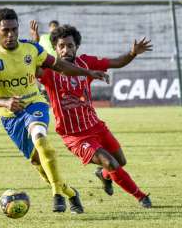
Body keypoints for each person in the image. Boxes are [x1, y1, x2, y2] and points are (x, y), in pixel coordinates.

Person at [0, 8, 107, 213]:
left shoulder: (32, 49)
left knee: (40, 137)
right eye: (5, 31)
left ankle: (56, 195)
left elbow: (60, 66)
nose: (10, 35)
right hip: (10, 116)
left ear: (18, 29)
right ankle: (70, 193)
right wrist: (5, 102)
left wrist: (88, 72)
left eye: (14, 30)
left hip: (35, 104)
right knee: (41, 165)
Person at [31, 23, 153, 208]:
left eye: (70, 46)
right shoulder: (50, 72)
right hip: (75, 136)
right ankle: (141, 196)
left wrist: (132, 53)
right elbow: (33, 64)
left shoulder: (86, 63)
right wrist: (34, 41)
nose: (66, 50)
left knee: (120, 162)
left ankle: (102, 174)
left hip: (96, 126)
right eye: (61, 46)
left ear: (76, 47)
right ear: (55, 48)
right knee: (111, 163)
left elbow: (115, 62)